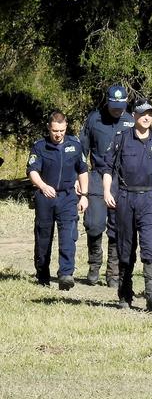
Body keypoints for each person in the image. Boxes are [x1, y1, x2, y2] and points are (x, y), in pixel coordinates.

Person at [100, 98, 152, 311]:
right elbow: (107, 168)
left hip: (150, 199)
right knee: (126, 248)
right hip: (125, 198)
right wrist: (107, 191)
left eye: (150, 114)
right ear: (134, 115)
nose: (147, 117)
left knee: (150, 247)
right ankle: (125, 294)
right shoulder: (121, 138)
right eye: (143, 113)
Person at [80, 85, 135, 287]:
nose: (117, 110)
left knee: (118, 227)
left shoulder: (130, 121)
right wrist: (80, 179)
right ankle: (94, 263)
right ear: (107, 101)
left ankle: (113, 272)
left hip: (121, 179)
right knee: (94, 225)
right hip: (97, 175)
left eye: (121, 106)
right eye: (114, 106)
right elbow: (81, 151)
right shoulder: (93, 120)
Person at [27, 111, 89, 290]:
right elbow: (32, 170)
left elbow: (83, 170)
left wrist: (84, 195)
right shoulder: (40, 146)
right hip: (45, 197)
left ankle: (66, 274)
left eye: (61, 130)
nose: (58, 134)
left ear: (66, 127)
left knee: (69, 235)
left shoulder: (75, 145)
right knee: (43, 236)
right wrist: (42, 186)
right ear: (49, 128)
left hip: (68, 197)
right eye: (55, 130)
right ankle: (42, 274)